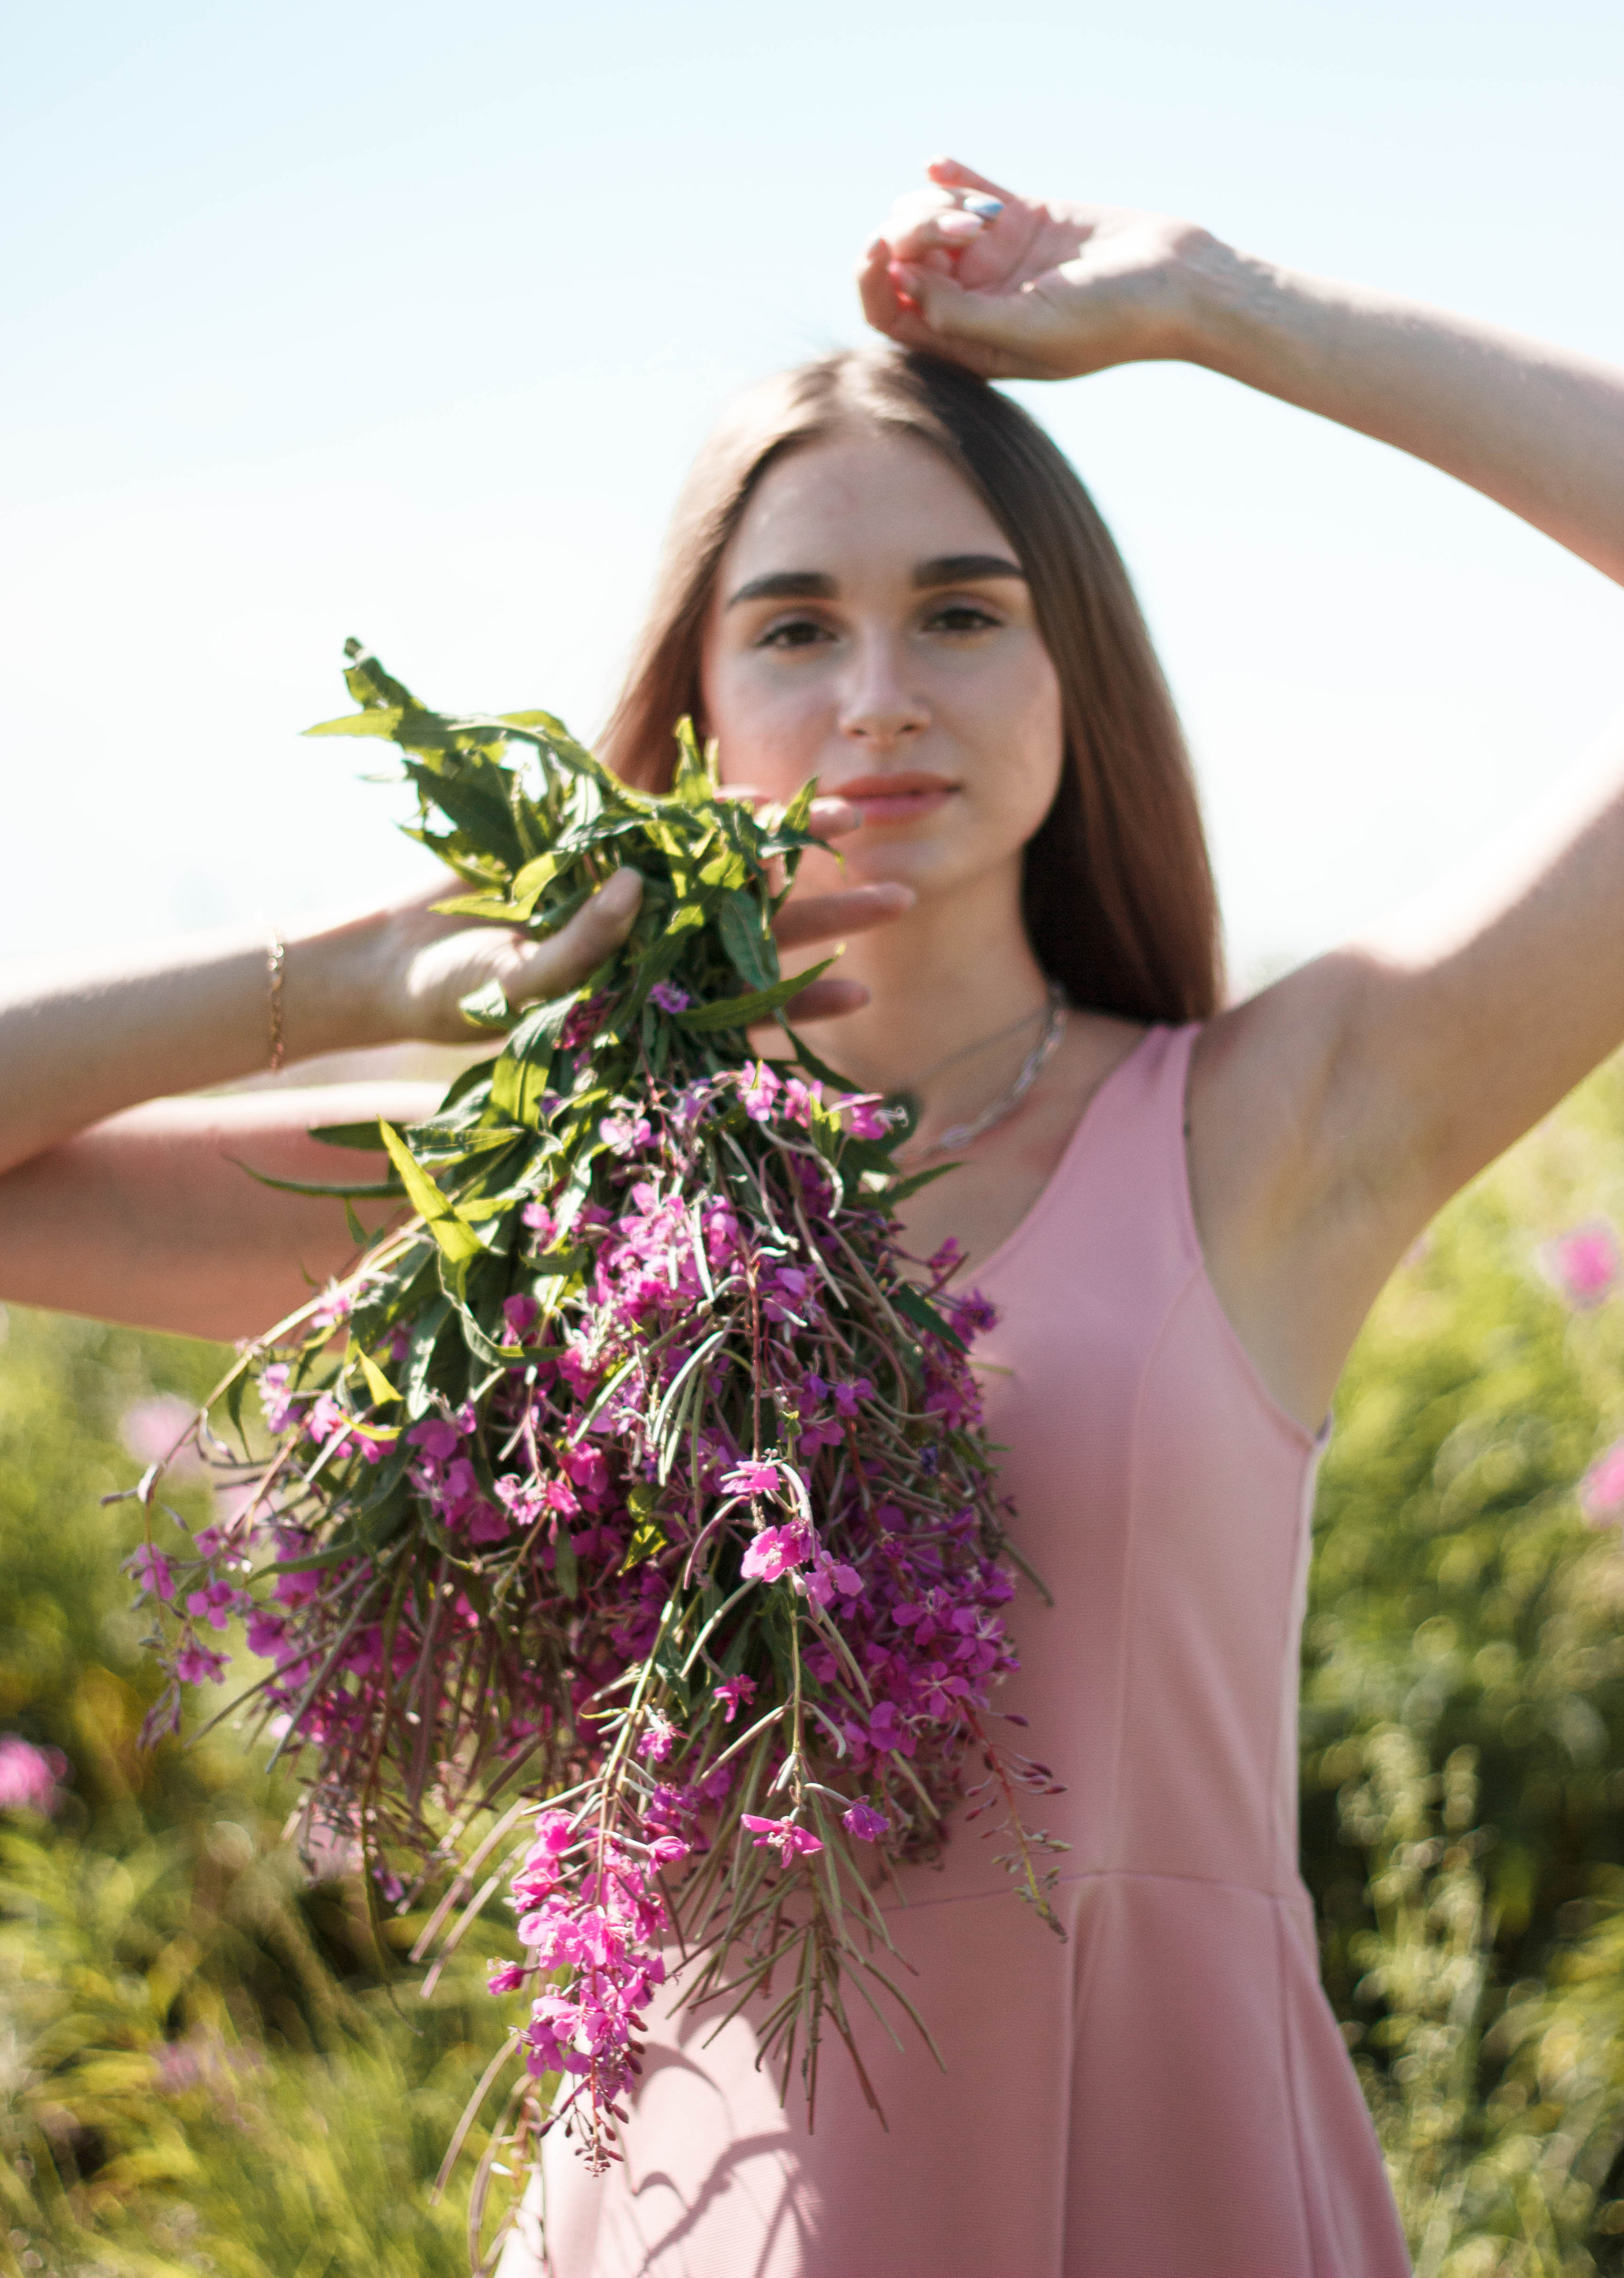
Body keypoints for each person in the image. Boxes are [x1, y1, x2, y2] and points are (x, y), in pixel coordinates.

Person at [3, 159, 1622, 2276]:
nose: (878, 695)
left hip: (1172, 2184)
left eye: (962, 610)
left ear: (1075, 673)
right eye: (793, 627)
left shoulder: (1275, 1134)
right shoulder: (540, 1198)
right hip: (705, 2215)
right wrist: (362, 969)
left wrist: (1227, 307)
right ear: (692, 709)